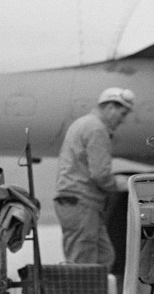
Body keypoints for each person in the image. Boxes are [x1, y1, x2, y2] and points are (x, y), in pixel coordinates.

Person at [53, 87, 135, 269]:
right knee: (84, 262)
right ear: (111, 107)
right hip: (81, 202)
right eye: (123, 113)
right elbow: (100, 175)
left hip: (79, 202)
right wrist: (128, 184)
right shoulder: (97, 129)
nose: (123, 120)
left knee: (103, 257)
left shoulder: (85, 123)